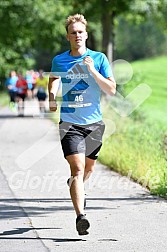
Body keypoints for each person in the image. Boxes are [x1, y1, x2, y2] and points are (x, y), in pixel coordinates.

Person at [48, 14, 116, 235]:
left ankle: (75, 184)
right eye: (73, 32)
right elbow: (54, 78)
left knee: (88, 169)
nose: (77, 35)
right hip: (70, 122)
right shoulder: (60, 60)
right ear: (68, 36)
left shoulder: (99, 58)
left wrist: (93, 71)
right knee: (77, 169)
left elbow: (111, 90)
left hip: (94, 123)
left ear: (86, 34)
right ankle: (81, 217)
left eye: (80, 32)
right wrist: (51, 96)